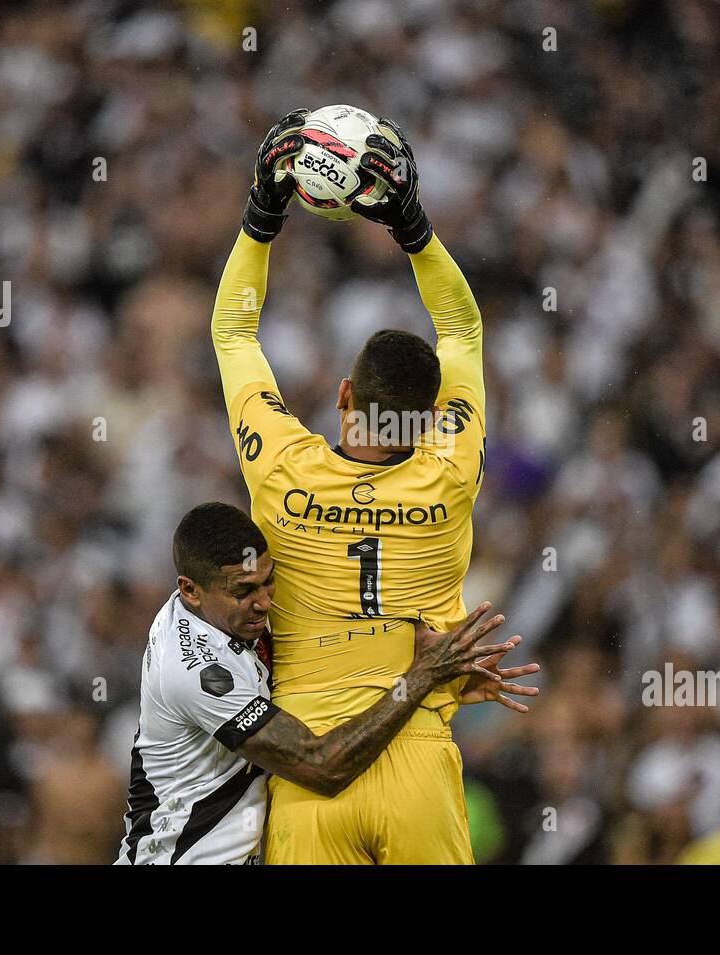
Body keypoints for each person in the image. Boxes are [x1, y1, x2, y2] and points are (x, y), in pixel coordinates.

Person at [212, 110, 502, 863]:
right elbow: (463, 332)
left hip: (312, 767)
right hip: (415, 759)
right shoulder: (449, 467)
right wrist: (412, 226)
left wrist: (262, 211)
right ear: (431, 417)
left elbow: (234, 333)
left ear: (344, 395)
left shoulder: (281, 470)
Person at [115, 502, 536, 865]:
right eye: (244, 591)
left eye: (268, 581)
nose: (264, 602)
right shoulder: (194, 671)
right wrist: (424, 676)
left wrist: (449, 682)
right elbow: (320, 766)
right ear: (190, 590)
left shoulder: (225, 616)